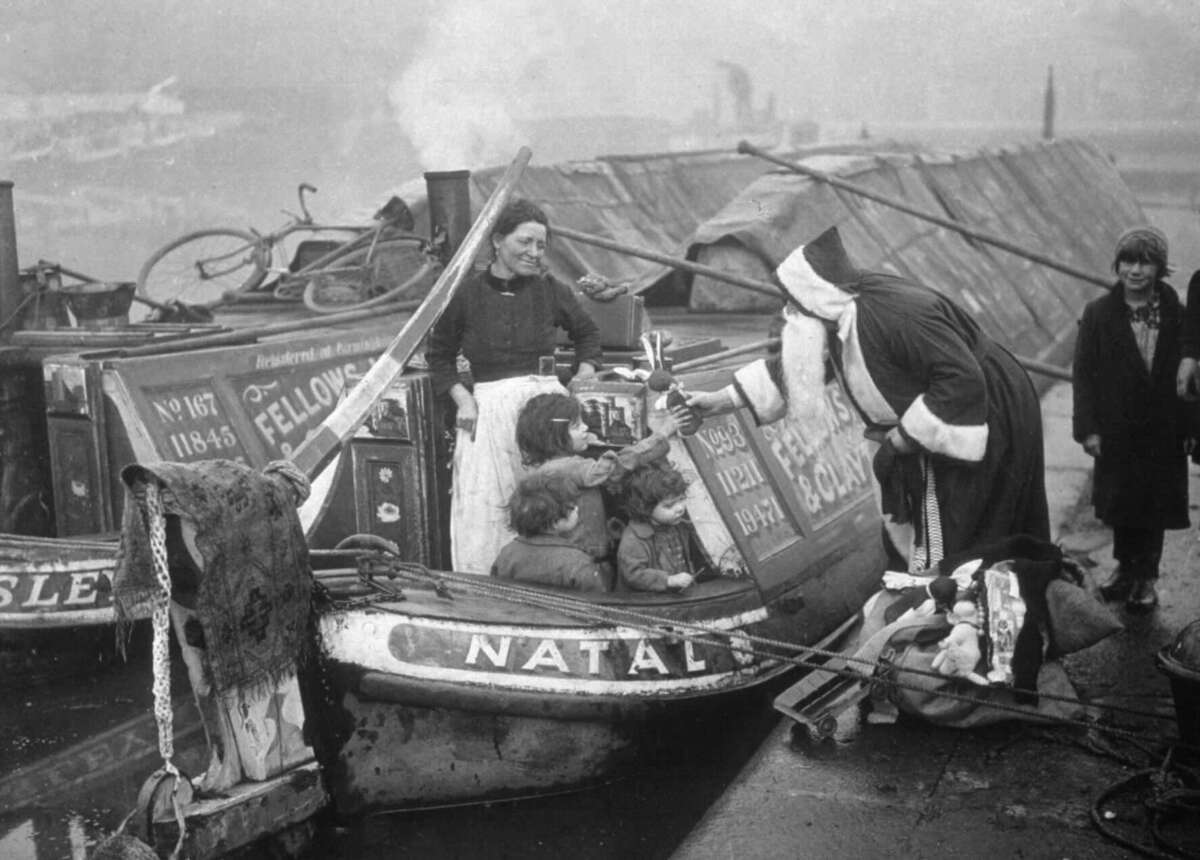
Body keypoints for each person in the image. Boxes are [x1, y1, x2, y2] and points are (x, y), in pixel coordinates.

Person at [687, 226, 1050, 569]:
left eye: (792, 303)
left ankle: (977, 598)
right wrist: (723, 399)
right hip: (941, 410)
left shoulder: (899, 315)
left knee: (976, 525)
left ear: (815, 298)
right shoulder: (837, 312)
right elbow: (801, 368)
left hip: (985, 405)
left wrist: (906, 436)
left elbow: (961, 378)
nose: (787, 313)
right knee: (940, 527)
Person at [426, 199, 602, 574]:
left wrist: (585, 371)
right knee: (490, 501)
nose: (534, 252)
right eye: (525, 242)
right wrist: (463, 400)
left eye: (541, 245)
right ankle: (491, 583)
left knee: (552, 500)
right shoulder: (467, 295)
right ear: (497, 240)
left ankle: (558, 582)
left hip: (544, 414)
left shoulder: (551, 290)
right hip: (489, 411)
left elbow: (587, 333)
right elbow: (439, 355)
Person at [1073, 226, 1196, 613]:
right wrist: (1088, 429)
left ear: (1160, 268)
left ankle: (1146, 577)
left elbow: (1191, 377)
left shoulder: (1178, 315)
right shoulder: (1098, 314)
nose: (1135, 271)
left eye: (1145, 262)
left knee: (1154, 506)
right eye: (1128, 262)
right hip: (1117, 428)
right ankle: (1125, 569)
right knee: (1121, 503)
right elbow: (1084, 374)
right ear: (1117, 266)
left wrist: (1192, 427)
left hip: (1163, 428)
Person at [516, 392, 679, 586]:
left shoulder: (546, 468)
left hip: (569, 558)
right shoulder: (569, 467)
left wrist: (587, 442)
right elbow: (615, 468)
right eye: (576, 426)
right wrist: (661, 435)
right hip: (587, 561)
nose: (585, 427)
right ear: (554, 436)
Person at [491, 473, 606, 592]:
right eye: (571, 506)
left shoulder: (507, 553)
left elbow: (495, 593)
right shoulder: (579, 563)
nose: (577, 508)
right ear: (555, 520)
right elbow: (597, 600)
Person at [616, 461, 701, 592]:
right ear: (645, 508)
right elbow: (633, 574)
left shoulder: (676, 524)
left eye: (681, 499)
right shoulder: (634, 540)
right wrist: (668, 580)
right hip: (648, 600)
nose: (680, 508)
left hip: (678, 594)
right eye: (669, 505)